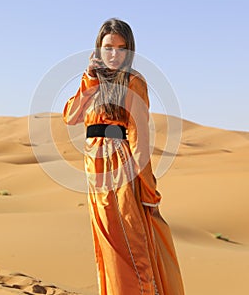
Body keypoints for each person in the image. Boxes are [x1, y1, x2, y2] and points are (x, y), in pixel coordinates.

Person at [63, 18, 184, 295]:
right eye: (108, 47)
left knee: (129, 245)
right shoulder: (91, 81)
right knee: (106, 247)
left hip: (120, 169)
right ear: (98, 49)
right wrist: (90, 78)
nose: (114, 54)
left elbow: (139, 137)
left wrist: (148, 190)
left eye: (121, 48)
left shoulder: (133, 81)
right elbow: (71, 117)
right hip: (94, 174)